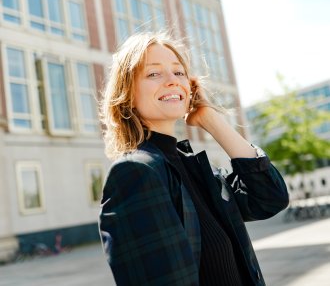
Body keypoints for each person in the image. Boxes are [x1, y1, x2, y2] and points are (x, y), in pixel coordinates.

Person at [99, 32, 289, 286]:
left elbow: (270, 198)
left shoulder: (195, 168)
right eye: (154, 73)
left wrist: (211, 120)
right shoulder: (135, 173)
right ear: (128, 95)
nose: (172, 81)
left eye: (179, 73)